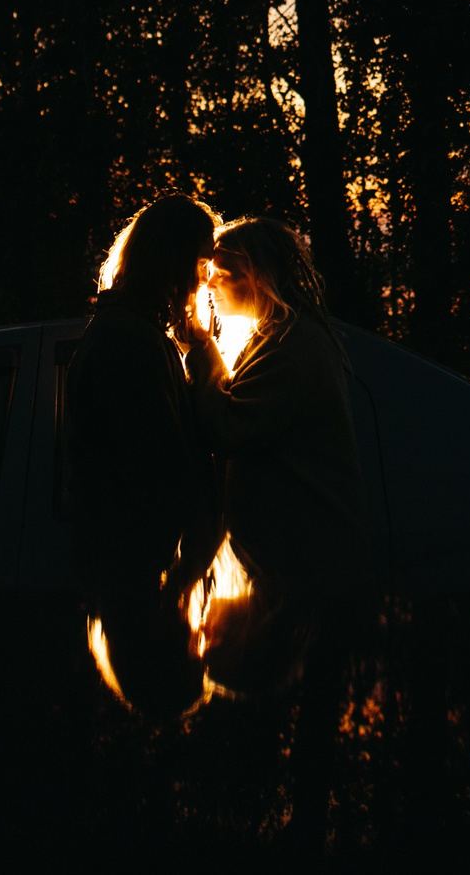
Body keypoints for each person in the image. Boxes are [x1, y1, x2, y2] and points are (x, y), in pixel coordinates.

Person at [180, 215, 369, 699]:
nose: (212, 288)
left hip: (303, 545)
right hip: (302, 547)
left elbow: (231, 428)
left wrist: (201, 349)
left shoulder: (289, 345)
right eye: (214, 642)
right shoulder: (280, 338)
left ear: (258, 275)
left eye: (223, 274)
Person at [62, 194, 222, 720]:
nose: (206, 281)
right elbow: (160, 474)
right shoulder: (131, 343)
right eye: (201, 264)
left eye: (192, 652)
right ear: (172, 261)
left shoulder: (133, 334)